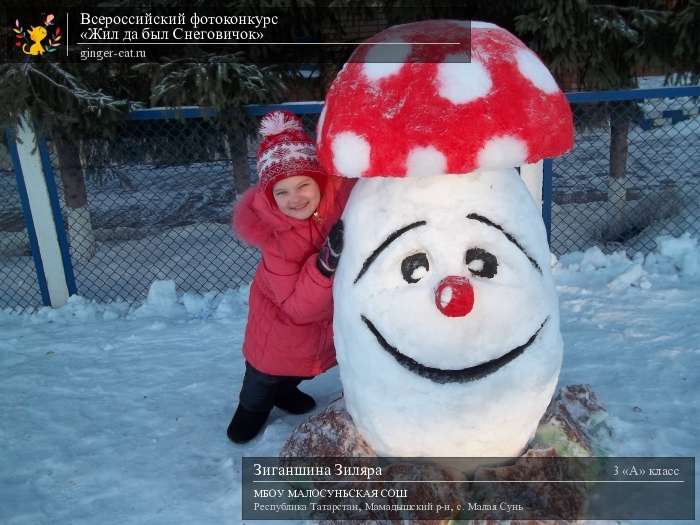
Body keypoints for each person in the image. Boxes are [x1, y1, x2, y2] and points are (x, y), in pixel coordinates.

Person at [227, 111, 354, 443]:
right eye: (281, 193)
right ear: (270, 198)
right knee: (264, 374)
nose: (294, 198)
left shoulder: (337, 203)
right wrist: (324, 265)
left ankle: (284, 392)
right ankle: (251, 410)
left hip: (321, 321)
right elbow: (299, 309)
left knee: (300, 368)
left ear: (319, 180)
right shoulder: (275, 240)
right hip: (279, 321)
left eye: (302, 185)